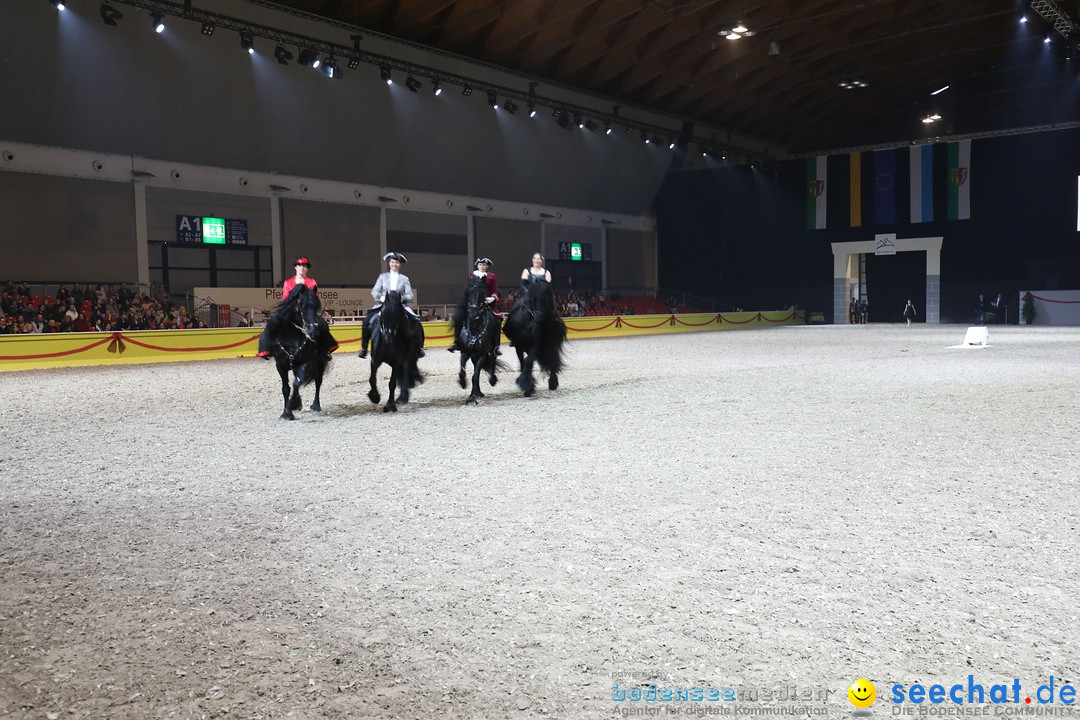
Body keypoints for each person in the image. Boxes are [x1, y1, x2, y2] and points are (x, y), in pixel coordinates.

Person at [257, 256, 338, 359]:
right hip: (291, 311)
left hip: (307, 311)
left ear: (307, 269)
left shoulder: (312, 282)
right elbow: (285, 298)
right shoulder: (288, 282)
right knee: (272, 323)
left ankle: (325, 349)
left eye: (304, 266)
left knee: (321, 324)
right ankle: (265, 349)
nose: (302, 268)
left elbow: (315, 298)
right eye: (299, 265)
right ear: (295, 267)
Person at [358, 252, 423, 359]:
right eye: (392, 262)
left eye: (396, 262)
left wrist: (400, 300)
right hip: (383, 304)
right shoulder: (382, 277)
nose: (394, 264)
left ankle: (419, 347)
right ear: (389, 263)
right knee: (367, 320)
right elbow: (375, 291)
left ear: (399, 264)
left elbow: (410, 294)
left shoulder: (404, 279)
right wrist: (382, 298)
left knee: (416, 320)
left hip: (400, 305)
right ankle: (364, 348)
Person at [449, 257, 500, 353]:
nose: (482, 266)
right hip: (472, 303)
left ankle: (495, 346)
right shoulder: (472, 275)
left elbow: (494, 290)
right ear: (477, 265)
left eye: (484, 265)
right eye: (480, 265)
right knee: (458, 318)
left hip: (486, 303)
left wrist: (492, 297)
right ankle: (457, 342)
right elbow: (469, 289)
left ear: (487, 266)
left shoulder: (491, 276)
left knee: (497, 321)